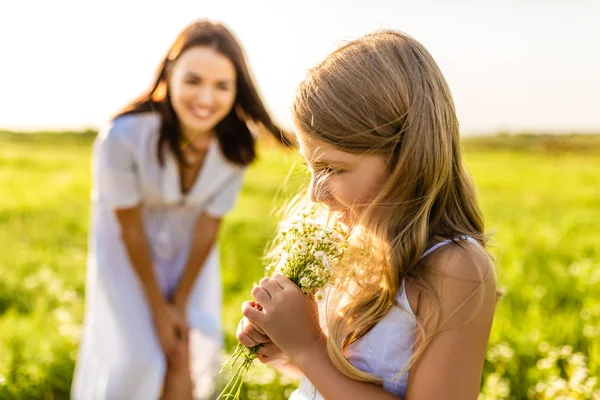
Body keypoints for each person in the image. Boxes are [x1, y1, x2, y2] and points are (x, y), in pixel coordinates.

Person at [236, 29, 497, 399]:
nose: (315, 193)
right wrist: (283, 347)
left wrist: (308, 347)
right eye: (311, 168)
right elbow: (336, 377)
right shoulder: (352, 247)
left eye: (334, 169)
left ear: (405, 158)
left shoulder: (455, 269)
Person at [71, 20, 290, 400]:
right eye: (193, 81)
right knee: (140, 359)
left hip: (191, 260)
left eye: (222, 86)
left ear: (237, 90)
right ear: (169, 74)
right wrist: (159, 307)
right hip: (126, 256)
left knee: (189, 348)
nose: (206, 98)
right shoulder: (122, 137)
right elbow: (130, 231)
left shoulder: (236, 146)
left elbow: (207, 230)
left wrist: (179, 304)